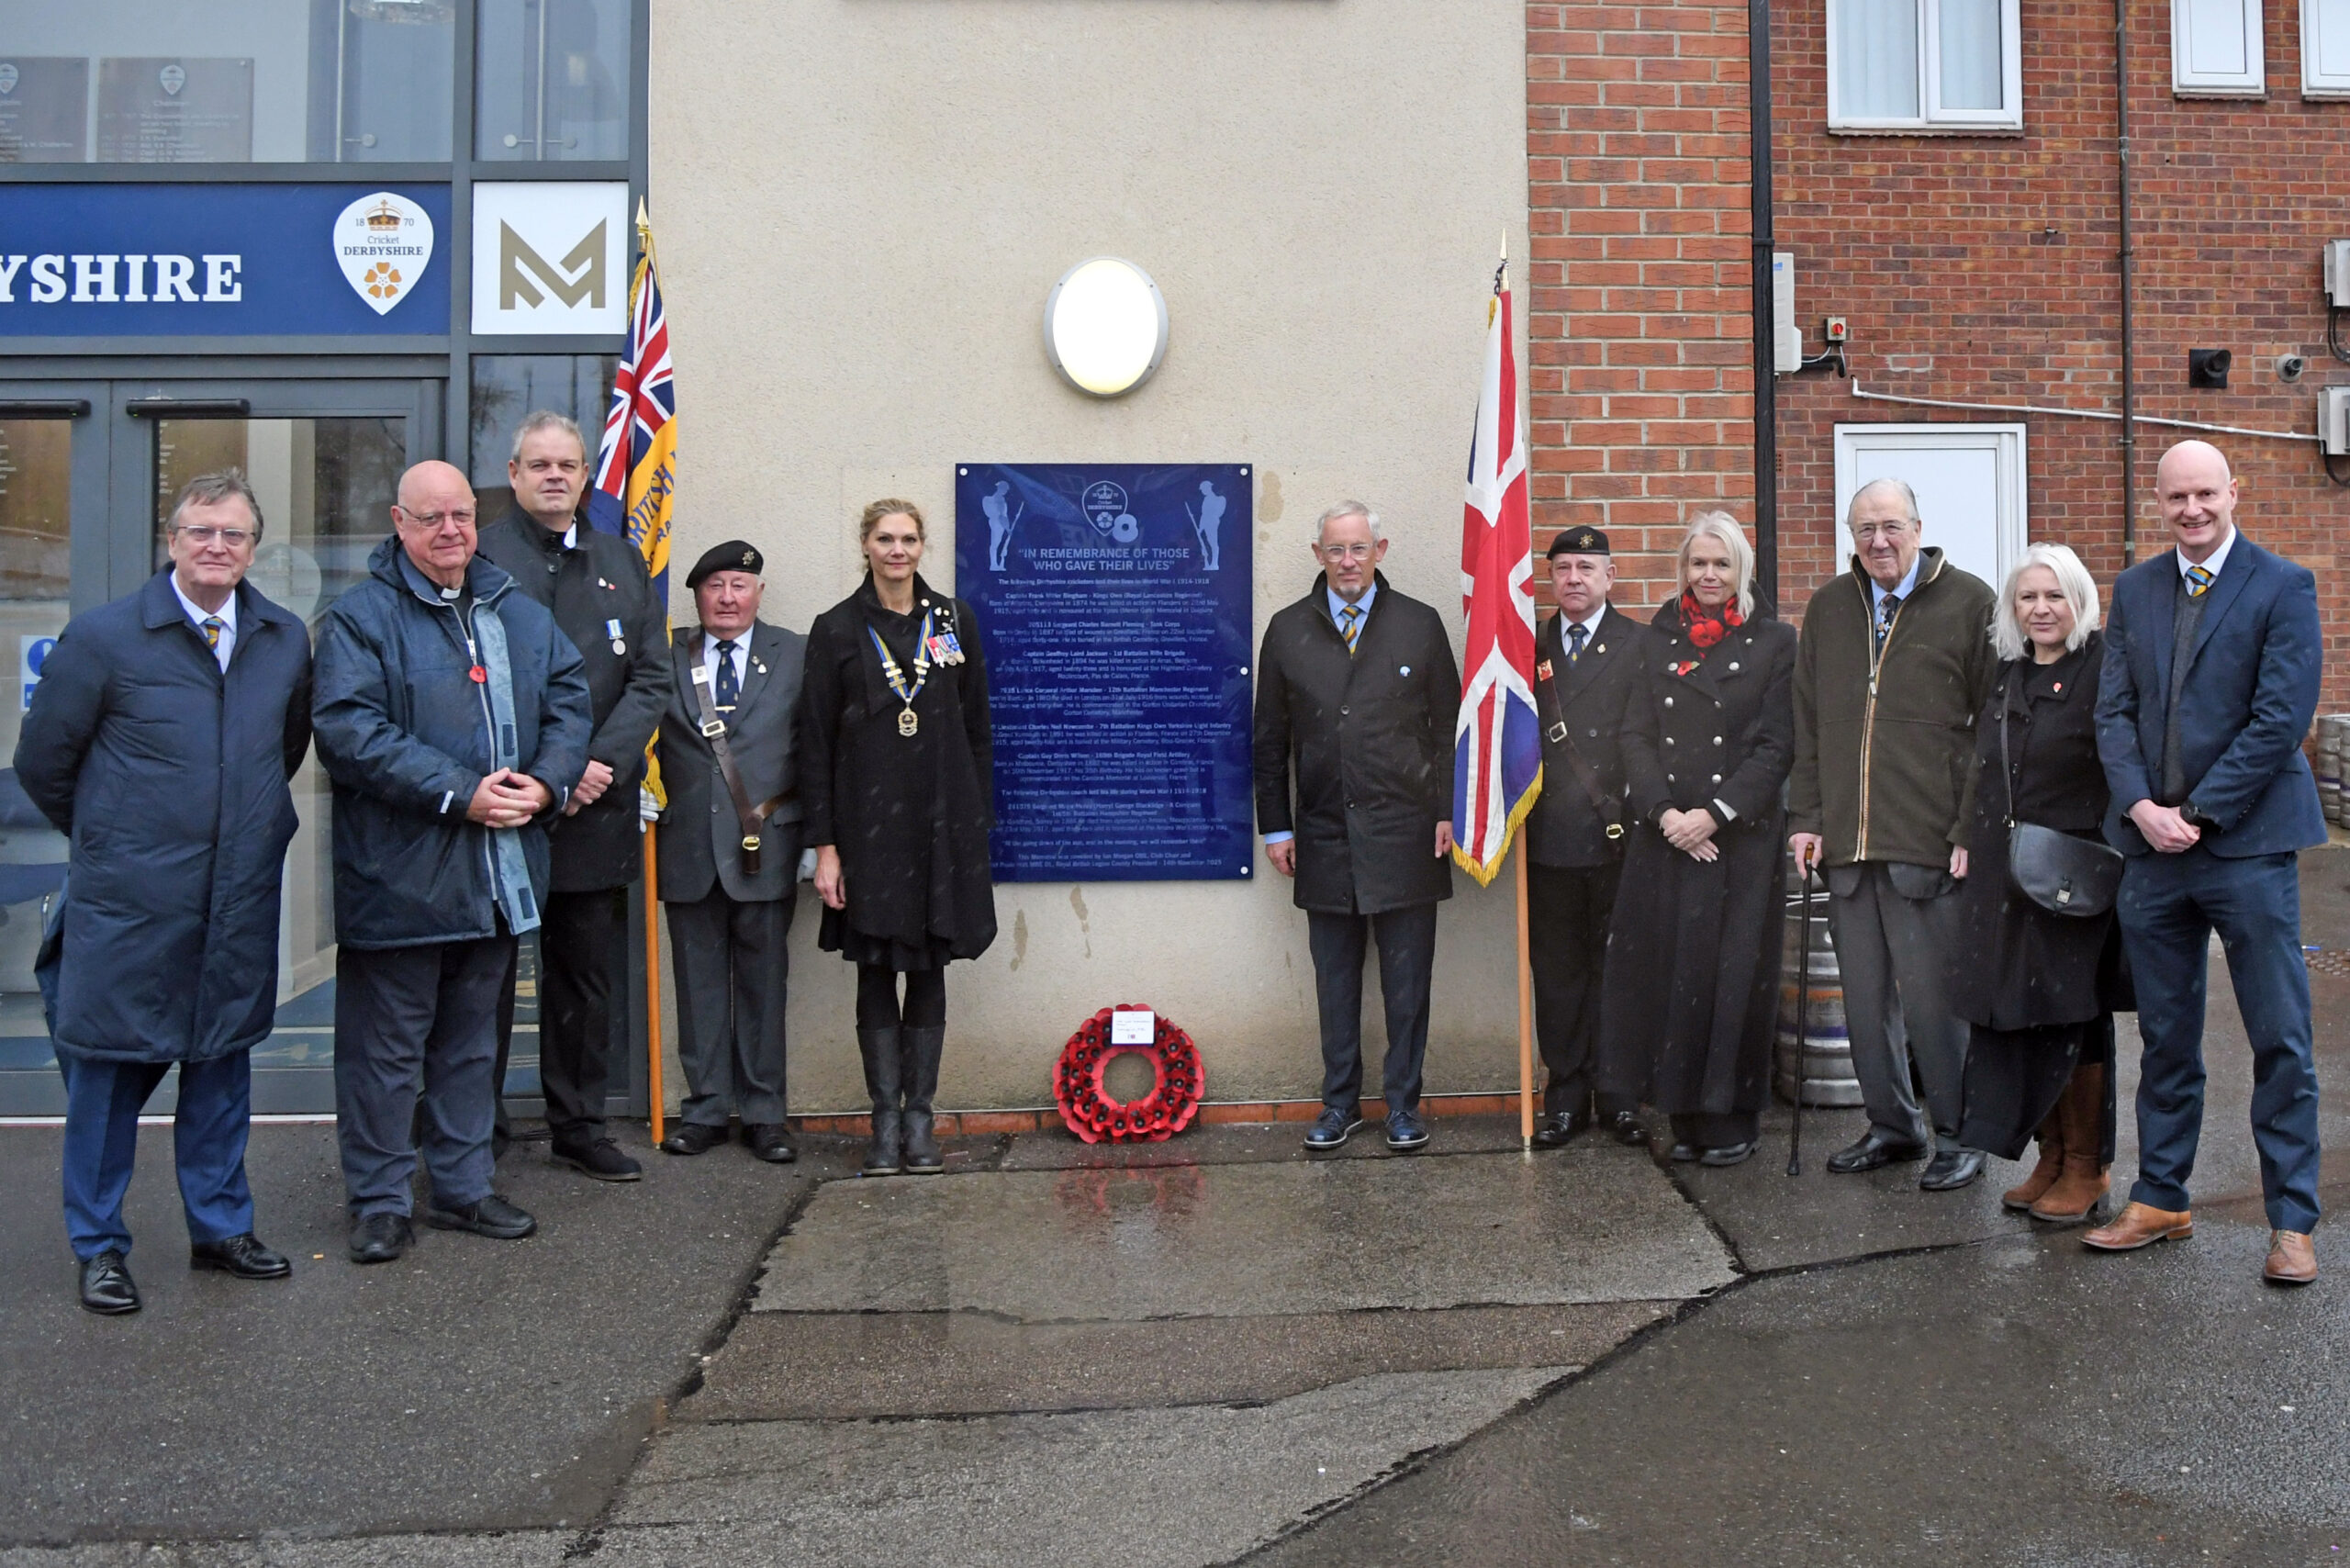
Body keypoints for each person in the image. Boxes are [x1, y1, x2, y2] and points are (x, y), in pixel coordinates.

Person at [16, 470, 311, 1315]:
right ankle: (100, 1245)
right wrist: (117, 840)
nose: (217, 547)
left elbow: (278, 752)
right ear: (171, 542)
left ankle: (221, 1228)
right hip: (130, 903)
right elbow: (46, 763)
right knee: (107, 1077)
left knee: (221, 1068)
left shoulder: (282, 638)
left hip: (235, 898)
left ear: (253, 549)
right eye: (200, 533)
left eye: (234, 535)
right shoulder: (106, 638)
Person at [312, 460, 591, 1265]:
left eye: (462, 516)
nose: (450, 532)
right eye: (431, 518)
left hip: (498, 877)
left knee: (472, 1047)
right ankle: (379, 1201)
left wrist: (545, 783)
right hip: (400, 880)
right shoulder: (361, 618)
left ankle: (463, 1190)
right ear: (398, 524)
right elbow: (349, 731)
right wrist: (460, 792)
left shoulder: (515, 609)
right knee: (386, 1056)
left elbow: (570, 700)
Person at [2086, 440, 2325, 1285]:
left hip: (2247, 847)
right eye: (2176, 497)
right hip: (2153, 854)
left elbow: (2279, 717)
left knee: (2280, 1038)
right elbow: (2112, 711)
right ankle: (2160, 1197)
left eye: (2205, 494)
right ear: (2158, 502)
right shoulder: (2136, 589)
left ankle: (2292, 1219)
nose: (2192, 510)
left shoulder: (2284, 586)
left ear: (2235, 493)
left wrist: (2198, 812)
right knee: (2166, 1037)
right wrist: (2145, 809)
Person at [1787, 477, 1998, 1191]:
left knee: (1933, 1000)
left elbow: (1990, 730)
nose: (1879, 541)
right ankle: (1893, 1125)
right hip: (1845, 843)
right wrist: (1808, 818)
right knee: (1863, 998)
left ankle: (1960, 1131)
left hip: (1926, 838)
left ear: (1917, 527)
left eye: (1891, 527)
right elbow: (1806, 724)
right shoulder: (1828, 608)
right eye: (1865, 529)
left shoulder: (1970, 603)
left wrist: (1969, 824)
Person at [475, 411, 669, 1182]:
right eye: (540, 464)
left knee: (582, 981)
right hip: (505, 804)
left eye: (569, 465)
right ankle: (472, 1131)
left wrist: (597, 764)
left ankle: (579, 1127)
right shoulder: (482, 556)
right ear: (515, 474)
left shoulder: (621, 558)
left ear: (587, 477)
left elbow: (651, 676)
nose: (556, 476)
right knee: (483, 981)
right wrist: (538, 775)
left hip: (594, 806)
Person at [1253, 501, 1460, 1154]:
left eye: (1359, 548)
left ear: (1381, 550)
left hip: (1407, 835)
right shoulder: (1288, 630)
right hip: (1323, 836)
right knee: (1335, 987)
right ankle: (1339, 1104)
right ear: (1318, 554)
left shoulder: (1419, 625)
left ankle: (1403, 1106)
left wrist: (1451, 810)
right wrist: (1275, 829)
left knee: (1407, 988)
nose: (1348, 561)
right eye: (1336, 549)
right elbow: (1268, 743)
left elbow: (1449, 730)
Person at [802, 500, 996, 1177]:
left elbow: (977, 731)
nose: (897, 550)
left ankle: (921, 1121)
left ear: (923, 546)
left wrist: (976, 829)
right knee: (877, 969)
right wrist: (825, 846)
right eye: (885, 538)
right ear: (865, 544)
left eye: (909, 539)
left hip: (938, 827)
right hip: (867, 830)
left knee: (931, 968)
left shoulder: (952, 621)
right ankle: (883, 1122)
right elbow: (815, 746)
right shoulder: (835, 630)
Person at [1595, 512, 1796, 1164]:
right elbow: (1636, 735)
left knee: (1733, 977)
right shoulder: (1658, 640)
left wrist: (1715, 812)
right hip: (1668, 838)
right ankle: (1683, 1115)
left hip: (1739, 839)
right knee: (1672, 975)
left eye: (1721, 564)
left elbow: (1775, 745)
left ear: (1742, 571)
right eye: (1698, 563)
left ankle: (1732, 1120)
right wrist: (1664, 814)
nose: (1708, 576)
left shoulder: (1774, 642)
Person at [1952, 544, 2129, 1224]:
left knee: (2071, 1017)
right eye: (2028, 597)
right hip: (2005, 869)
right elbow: (1984, 766)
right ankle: (2050, 1157)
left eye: (2054, 595)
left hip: (2069, 873)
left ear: (2078, 600)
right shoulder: (2009, 672)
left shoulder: (2103, 669)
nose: (2041, 608)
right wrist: (1967, 836)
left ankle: (2088, 1166)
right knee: (2019, 1014)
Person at [655, 542, 807, 1163]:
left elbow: (818, 747)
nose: (726, 597)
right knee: (698, 989)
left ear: (758, 594)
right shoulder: (667, 660)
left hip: (766, 847)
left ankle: (767, 1112)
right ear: (696, 595)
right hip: (687, 846)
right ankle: (706, 1109)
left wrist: (819, 838)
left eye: (739, 585)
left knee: (765, 988)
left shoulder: (795, 653)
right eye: (714, 585)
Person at [1522, 525, 1648, 1148]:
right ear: (1552, 578)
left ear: (1610, 577)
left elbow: (1651, 738)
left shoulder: (1640, 644)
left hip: (1621, 836)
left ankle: (1621, 1096)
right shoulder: (1525, 643)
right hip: (1548, 838)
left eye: (1586, 568)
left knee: (1619, 969)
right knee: (1558, 970)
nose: (1574, 578)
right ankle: (1566, 1096)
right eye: (1564, 568)